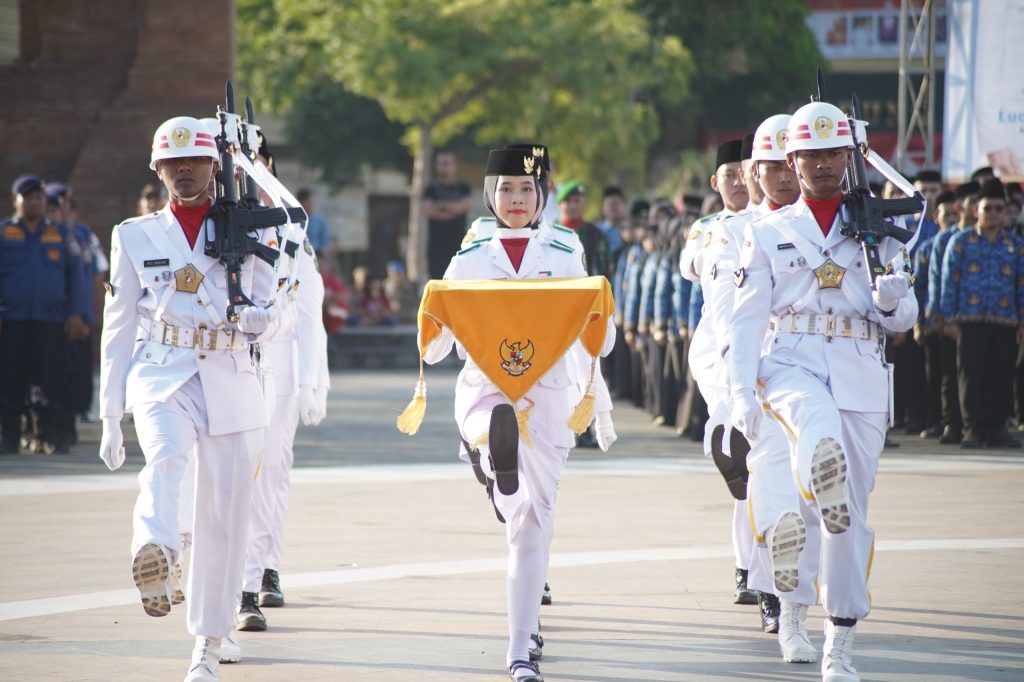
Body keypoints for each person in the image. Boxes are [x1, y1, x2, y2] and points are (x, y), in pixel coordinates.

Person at [727, 101, 919, 682]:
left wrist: (891, 301)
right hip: (792, 362)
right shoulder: (767, 232)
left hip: (860, 369)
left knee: (845, 518)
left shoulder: (879, 224)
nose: (823, 164)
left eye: (833, 153)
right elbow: (745, 319)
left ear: (849, 157)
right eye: (810, 155)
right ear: (793, 161)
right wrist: (740, 392)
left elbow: (904, 316)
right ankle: (792, 614)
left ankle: (839, 640)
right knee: (816, 430)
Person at [98, 116, 285, 682]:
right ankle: (155, 550)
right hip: (163, 371)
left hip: (230, 374)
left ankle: (207, 643)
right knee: (163, 458)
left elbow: (272, 307)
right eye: (173, 163)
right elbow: (118, 323)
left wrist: (261, 320)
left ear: (214, 167)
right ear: (157, 169)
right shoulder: (134, 234)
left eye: (196, 161)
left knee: (223, 517)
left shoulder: (249, 227)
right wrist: (109, 413)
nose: (184, 171)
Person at [417, 146, 615, 682]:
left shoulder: (566, 250)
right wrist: (433, 316)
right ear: (490, 195)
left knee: (532, 523)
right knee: (496, 448)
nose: (517, 199)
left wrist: (598, 326)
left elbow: (596, 337)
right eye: (506, 189)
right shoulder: (470, 257)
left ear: (542, 194)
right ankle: (494, 461)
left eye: (527, 188)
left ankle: (522, 646)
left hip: (548, 398)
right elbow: (436, 347)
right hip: (485, 388)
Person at [0, 174, 89, 454]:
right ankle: (9, 437)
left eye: (38, 197)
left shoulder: (60, 235)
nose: (34, 202)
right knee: (10, 380)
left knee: (51, 380)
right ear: (15, 201)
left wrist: (77, 314)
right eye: (28, 197)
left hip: (51, 322)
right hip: (12, 321)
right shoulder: (4, 233)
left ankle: (49, 435)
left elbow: (76, 279)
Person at [940, 178, 1024, 449]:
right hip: (969, 321)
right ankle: (973, 430)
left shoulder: (1015, 245)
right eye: (988, 208)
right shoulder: (961, 242)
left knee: (1001, 377)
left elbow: (1021, 285)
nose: (994, 213)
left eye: (999, 208)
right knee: (971, 377)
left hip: (1005, 321)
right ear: (976, 210)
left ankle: (996, 429)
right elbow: (949, 282)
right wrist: (948, 318)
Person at [926, 182, 977, 444]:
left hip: (984, 319)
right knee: (950, 375)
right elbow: (938, 280)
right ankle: (951, 425)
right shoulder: (947, 239)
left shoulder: (996, 238)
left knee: (980, 376)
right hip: (952, 318)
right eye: (973, 203)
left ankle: (982, 426)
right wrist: (940, 317)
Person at [424, 150, 472, 280]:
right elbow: (430, 212)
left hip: (459, 243)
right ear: (436, 166)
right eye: (442, 163)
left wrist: (442, 206)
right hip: (437, 245)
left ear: (454, 166)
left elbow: (465, 207)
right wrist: (455, 210)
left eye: (447, 163)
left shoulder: (463, 187)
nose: (445, 167)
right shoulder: (431, 189)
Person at [556, 180, 611, 279]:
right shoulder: (550, 233)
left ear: (584, 204)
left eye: (577, 201)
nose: (573, 206)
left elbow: (604, 269)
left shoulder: (594, 234)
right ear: (559, 205)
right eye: (568, 201)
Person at [384, 260, 420, 325]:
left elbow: (417, 304)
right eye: (392, 274)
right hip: (393, 323)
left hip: (411, 321)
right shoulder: (386, 287)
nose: (395, 277)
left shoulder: (412, 287)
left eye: (398, 274)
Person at [296, 188, 331, 255]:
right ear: (301, 202)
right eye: (309, 203)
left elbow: (325, 244)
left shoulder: (319, 221)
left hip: (317, 256)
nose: (312, 205)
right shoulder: (293, 221)